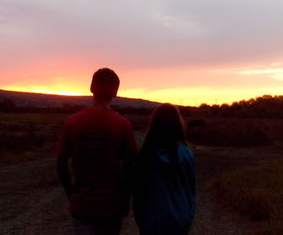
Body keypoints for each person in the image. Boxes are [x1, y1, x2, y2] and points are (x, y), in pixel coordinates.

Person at [55, 68, 137, 235]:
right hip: (111, 207)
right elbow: (130, 167)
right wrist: (125, 200)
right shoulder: (123, 124)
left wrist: (71, 195)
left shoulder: (72, 121)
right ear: (115, 92)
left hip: (81, 206)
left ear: (91, 88)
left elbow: (61, 163)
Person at [133, 103, 196, 235]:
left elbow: (138, 190)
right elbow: (191, 190)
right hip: (180, 218)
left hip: (151, 220)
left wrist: (140, 217)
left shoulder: (146, 154)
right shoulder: (186, 153)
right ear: (178, 123)